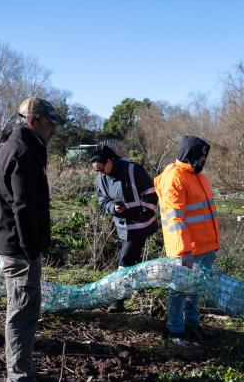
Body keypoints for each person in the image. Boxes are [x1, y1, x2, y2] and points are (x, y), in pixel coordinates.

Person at [0, 96, 64, 382]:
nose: (54, 130)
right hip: (19, 248)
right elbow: (22, 206)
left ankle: (21, 367)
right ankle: (20, 378)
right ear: (33, 121)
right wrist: (31, 248)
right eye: (50, 123)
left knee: (21, 307)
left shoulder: (14, 147)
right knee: (22, 311)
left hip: (12, 243)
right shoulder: (24, 152)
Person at [154, 135, 220, 344]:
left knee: (195, 289)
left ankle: (192, 325)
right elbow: (176, 219)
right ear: (189, 154)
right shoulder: (175, 178)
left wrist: (213, 244)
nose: (203, 161)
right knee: (180, 290)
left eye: (204, 157)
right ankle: (175, 330)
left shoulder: (198, 176)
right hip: (188, 250)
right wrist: (184, 251)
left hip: (205, 247)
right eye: (201, 157)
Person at [91, 145, 159, 312]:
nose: (100, 172)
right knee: (132, 261)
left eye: (102, 168)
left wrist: (145, 212)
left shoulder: (133, 169)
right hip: (122, 226)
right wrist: (113, 208)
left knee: (125, 262)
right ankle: (137, 292)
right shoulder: (101, 178)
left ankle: (117, 300)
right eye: (96, 170)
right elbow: (102, 201)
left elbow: (151, 192)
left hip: (141, 224)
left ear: (110, 160)